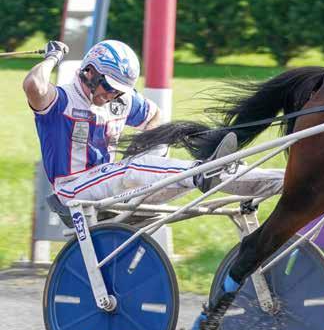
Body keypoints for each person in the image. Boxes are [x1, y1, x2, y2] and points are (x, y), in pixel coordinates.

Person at [23, 40, 283, 208]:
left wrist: (150, 153)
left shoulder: (121, 100)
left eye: (119, 91)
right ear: (89, 71)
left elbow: (155, 117)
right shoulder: (61, 100)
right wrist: (53, 57)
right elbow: (34, 85)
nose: (111, 95)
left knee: (147, 166)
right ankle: (202, 172)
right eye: (108, 87)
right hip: (73, 188)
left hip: (109, 184)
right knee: (135, 168)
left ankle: (274, 180)